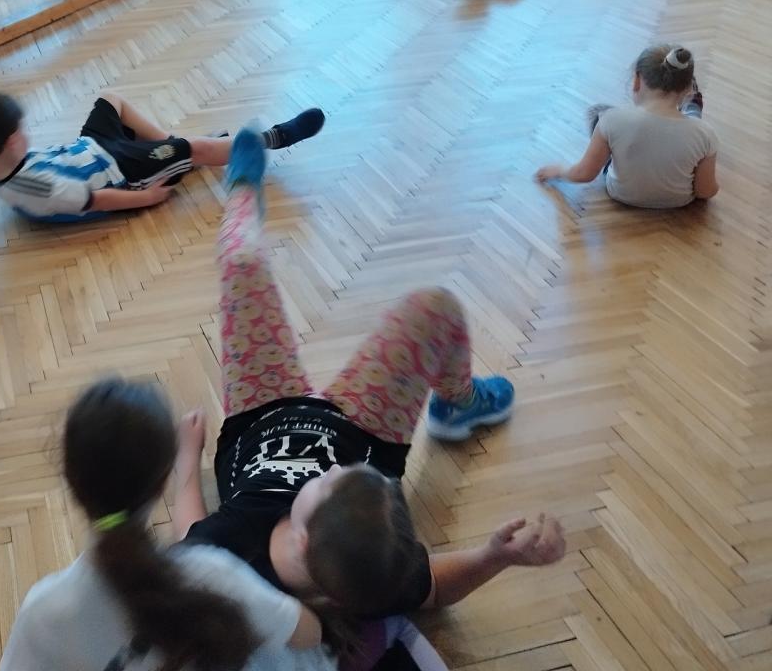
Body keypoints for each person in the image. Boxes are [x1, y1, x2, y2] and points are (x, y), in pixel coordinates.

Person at [176, 126, 567, 627]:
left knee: (241, 260)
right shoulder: (380, 570)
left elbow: (189, 537)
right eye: (343, 472)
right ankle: (459, 403)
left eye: (328, 479)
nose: (331, 468)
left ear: (301, 538)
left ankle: (241, 188)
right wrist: (497, 556)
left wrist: (185, 464)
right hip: (363, 426)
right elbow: (434, 588)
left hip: (258, 412)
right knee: (434, 307)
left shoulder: (234, 553)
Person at [0, 376, 337, 671]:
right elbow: (308, 633)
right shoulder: (213, 574)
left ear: (72, 483)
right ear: (162, 483)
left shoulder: (44, 611)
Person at [0, 90, 324, 223]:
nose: (27, 133)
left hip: (92, 149)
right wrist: (147, 198)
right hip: (123, 170)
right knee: (195, 148)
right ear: (12, 140)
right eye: (22, 129)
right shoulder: (42, 189)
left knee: (111, 100)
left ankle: (170, 147)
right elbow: (96, 200)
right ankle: (273, 138)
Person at [535, 45, 719, 208]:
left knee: (599, 113)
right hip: (679, 201)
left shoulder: (611, 120)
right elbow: (705, 191)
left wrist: (559, 171)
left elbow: (584, 174)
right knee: (693, 122)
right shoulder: (706, 134)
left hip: (621, 194)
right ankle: (692, 106)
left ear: (637, 80)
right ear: (686, 89)